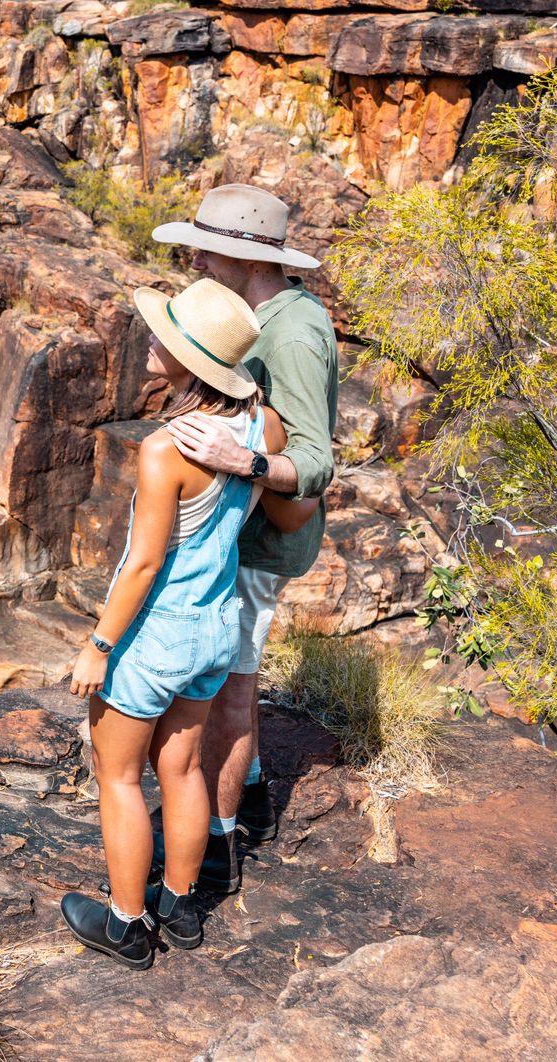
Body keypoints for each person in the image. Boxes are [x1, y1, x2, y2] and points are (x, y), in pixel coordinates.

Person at [60, 278, 320, 968]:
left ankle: (124, 924)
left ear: (190, 360)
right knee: (180, 768)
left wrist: (98, 645)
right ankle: (179, 908)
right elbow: (283, 489)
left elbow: (143, 566)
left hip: (156, 633)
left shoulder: (166, 449)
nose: (152, 340)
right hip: (215, 627)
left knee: (117, 777)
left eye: (165, 336)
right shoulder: (260, 425)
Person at [153, 185, 338, 899]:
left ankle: (214, 853)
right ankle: (251, 796)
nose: (194, 257)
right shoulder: (265, 312)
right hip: (249, 532)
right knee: (237, 674)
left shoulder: (292, 332)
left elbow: (317, 462)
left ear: (244, 256)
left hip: (262, 542)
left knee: (230, 687)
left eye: (205, 248)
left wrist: (244, 464)